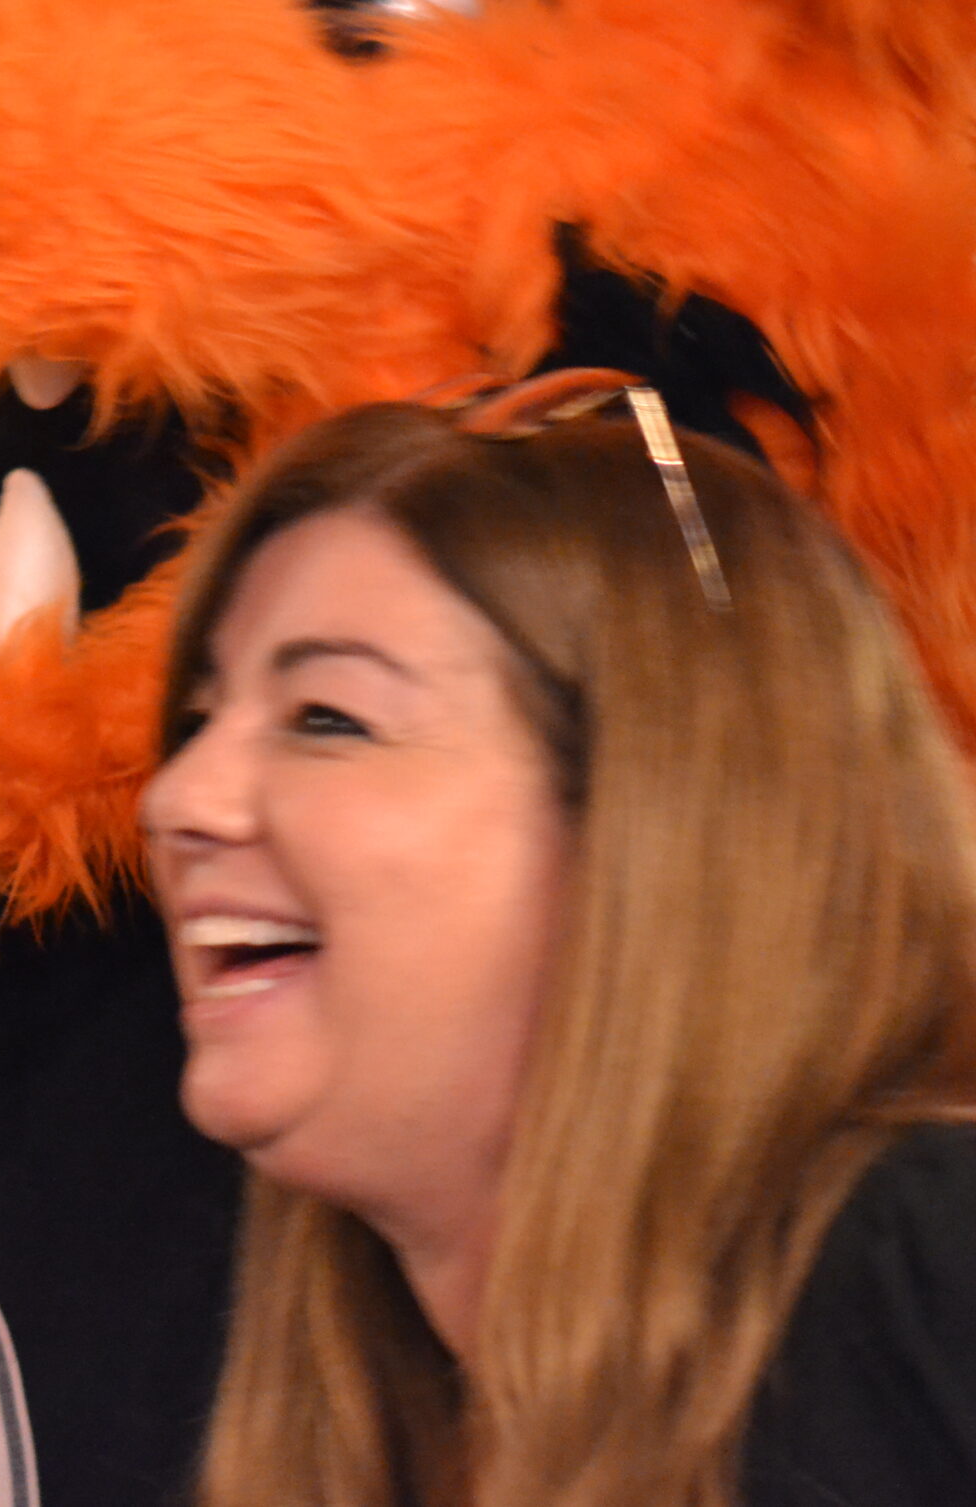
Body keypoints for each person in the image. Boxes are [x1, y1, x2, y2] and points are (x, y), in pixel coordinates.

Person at [139, 386, 976, 1507]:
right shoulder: (352, 1438)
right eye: (201, 721)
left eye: (328, 718)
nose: (177, 798)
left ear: (655, 819)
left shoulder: (931, 1266)